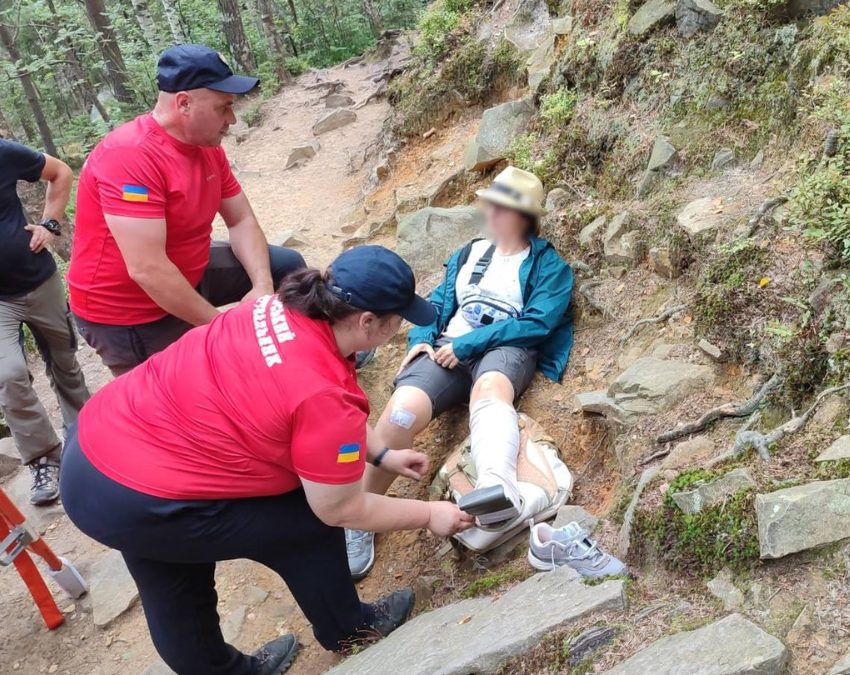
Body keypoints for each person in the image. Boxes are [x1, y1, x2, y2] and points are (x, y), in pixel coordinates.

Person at [61, 246, 475, 675]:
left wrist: (381, 453)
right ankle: (351, 628)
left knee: (169, 570)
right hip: (141, 490)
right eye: (398, 319)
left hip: (97, 451)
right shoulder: (323, 392)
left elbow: (306, 405)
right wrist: (429, 514)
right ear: (367, 322)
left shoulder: (275, 307)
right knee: (305, 522)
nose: (399, 327)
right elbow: (339, 507)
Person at [347, 167, 574, 579]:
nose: (489, 212)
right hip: (447, 345)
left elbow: (538, 323)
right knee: (402, 410)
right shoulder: (469, 253)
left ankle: (496, 486)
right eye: (490, 204)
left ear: (523, 215)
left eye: (500, 207)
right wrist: (421, 335)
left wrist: (467, 345)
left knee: (490, 389)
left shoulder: (549, 266)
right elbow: (437, 300)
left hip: (506, 349)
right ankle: (358, 514)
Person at [67, 44, 306, 376]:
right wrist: (222, 325)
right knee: (187, 395)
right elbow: (147, 270)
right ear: (184, 103)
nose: (232, 119)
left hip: (190, 270)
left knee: (287, 267)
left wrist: (262, 285)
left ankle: (298, 353)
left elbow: (241, 219)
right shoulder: (130, 156)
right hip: (130, 312)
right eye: (224, 108)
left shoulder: (206, 147)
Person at [0, 136, 90, 506]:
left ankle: (86, 439)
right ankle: (43, 460)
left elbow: (60, 172)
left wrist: (49, 225)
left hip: (39, 281)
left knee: (65, 361)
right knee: (8, 376)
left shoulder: (2, 153)